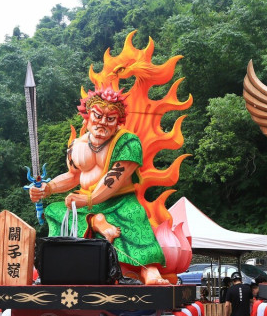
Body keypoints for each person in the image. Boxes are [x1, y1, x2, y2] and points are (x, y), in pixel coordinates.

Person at [28, 87, 168, 285]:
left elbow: (113, 179)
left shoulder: (128, 142)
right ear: (87, 115)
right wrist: (47, 189)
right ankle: (93, 223)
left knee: (135, 215)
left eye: (110, 119)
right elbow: (72, 176)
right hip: (86, 204)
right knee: (54, 210)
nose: (102, 122)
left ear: (118, 121)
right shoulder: (76, 145)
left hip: (118, 201)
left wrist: (89, 199)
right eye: (98, 115)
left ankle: (149, 270)